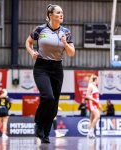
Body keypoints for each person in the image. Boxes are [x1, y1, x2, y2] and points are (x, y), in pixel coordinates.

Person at [25, 4, 75, 143]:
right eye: (58, 12)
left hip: (57, 68)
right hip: (41, 67)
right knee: (48, 97)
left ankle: (45, 134)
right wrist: (32, 52)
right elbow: (28, 43)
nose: (61, 14)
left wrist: (65, 43)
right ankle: (38, 124)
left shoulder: (66, 31)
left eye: (62, 12)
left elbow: (71, 53)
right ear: (50, 15)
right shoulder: (40, 29)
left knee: (54, 104)